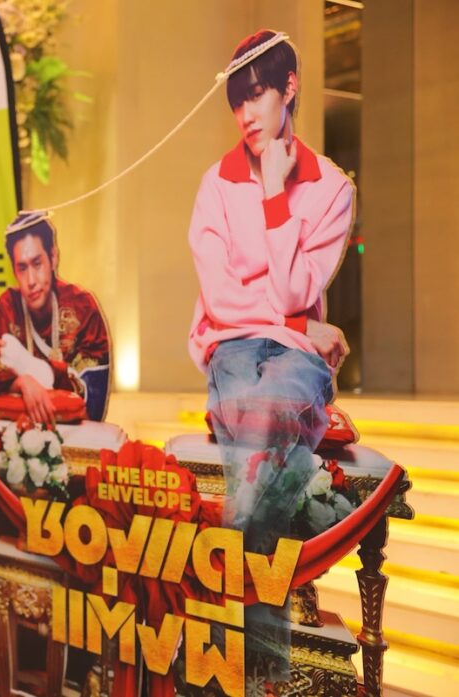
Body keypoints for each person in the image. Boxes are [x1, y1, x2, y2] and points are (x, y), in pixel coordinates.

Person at [187, 30, 354, 694]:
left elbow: (284, 290)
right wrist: (306, 324)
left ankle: (229, 659)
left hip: (296, 360)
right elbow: (222, 299)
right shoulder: (214, 183)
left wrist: (277, 192)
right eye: (236, 101)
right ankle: (260, 676)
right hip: (232, 345)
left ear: (290, 88)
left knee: (257, 433)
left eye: (256, 95)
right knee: (260, 432)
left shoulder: (332, 188)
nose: (245, 114)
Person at [0, 212, 111, 423]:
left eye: (37, 263)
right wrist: (24, 383)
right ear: (13, 270)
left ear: (53, 257)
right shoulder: (8, 306)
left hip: (78, 437)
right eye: (22, 268)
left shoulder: (82, 306)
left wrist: (28, 367)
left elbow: (92, 403)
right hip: (22, 434)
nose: (31, 280)